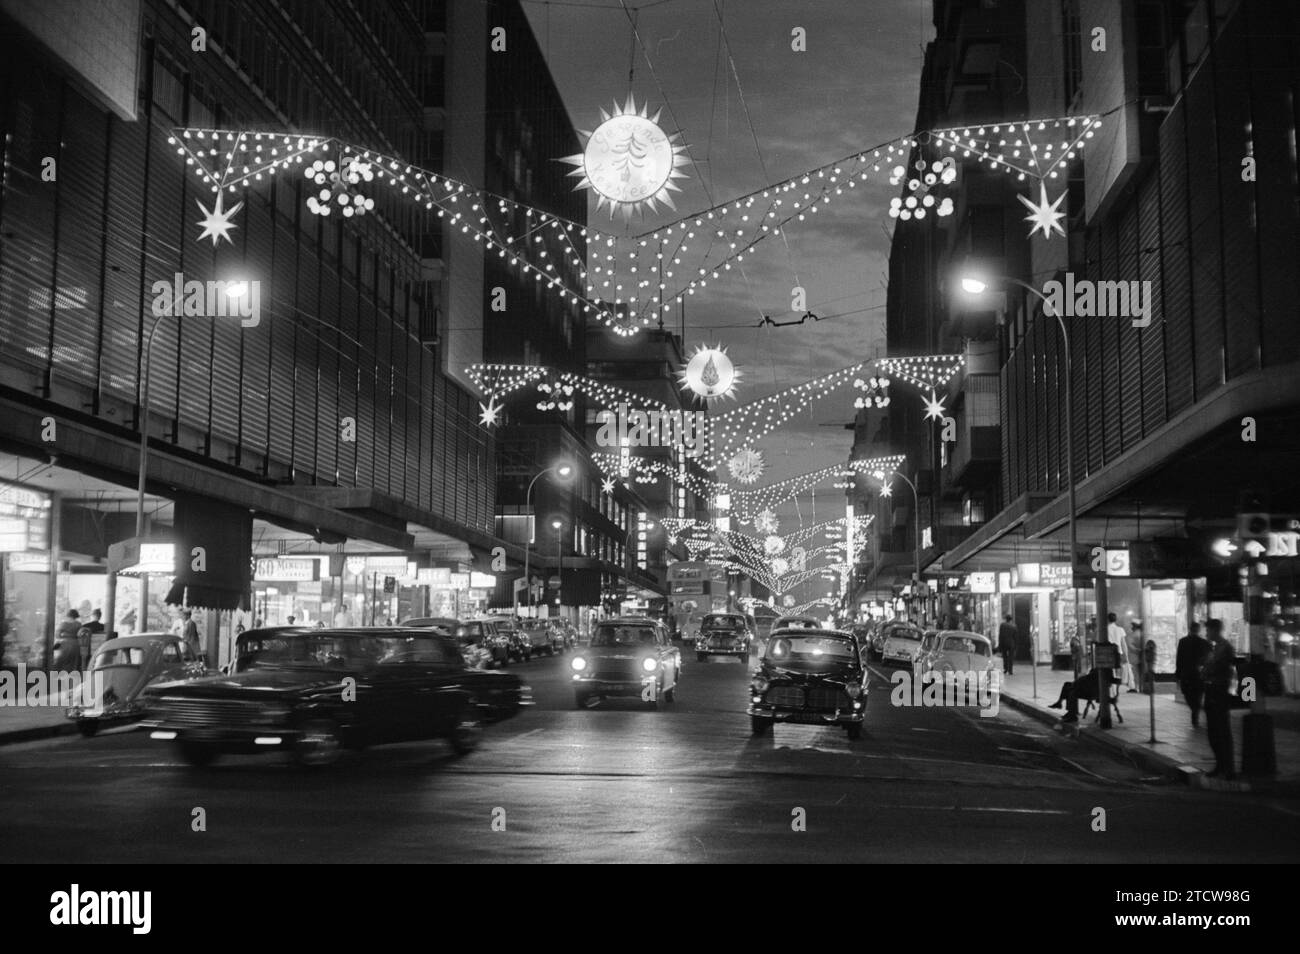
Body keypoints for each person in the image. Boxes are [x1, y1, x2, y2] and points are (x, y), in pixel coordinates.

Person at [1202, 618, 1236, 779]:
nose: (1206, 633)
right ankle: (1220, 765)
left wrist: (1208, 670)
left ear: (1215, 630)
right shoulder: (1214, 648)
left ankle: (1227, 767)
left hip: (1219, 691)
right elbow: (1207, 668)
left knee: (1222, 730)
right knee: (1213, 731)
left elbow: (1217, 668)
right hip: (1211, 690)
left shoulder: (1225, 648)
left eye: (1208, 630)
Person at [1176, 622, 1209, 726]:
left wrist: (1178, 673)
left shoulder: (1183, 641)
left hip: (1187, 673)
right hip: (1198, 674)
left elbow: (1179, 658)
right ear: (1198, 630)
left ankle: (1194, 709)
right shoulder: (1203, 642)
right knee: (1197, 694)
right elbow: (1208, 658)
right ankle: (1195, 709)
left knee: (1188, 694)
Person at [1106, 613, 1131, 688]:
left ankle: (1111, 687)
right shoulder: (1120, 629)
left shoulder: (1105, 629)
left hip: (1108, 652)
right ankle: (1117, 689)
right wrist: (1126, 655)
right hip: (1118, 652)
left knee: (1109, 671)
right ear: (1116, 620)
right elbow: (1123, 643)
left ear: (1107, 619)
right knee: (1118, 672)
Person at [1126, 620, 1145, 693]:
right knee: (1140, 672)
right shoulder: (1142, 634)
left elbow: (1130, 646)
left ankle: (1138, 687)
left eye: (1133, 625)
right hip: (1141, 656)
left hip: (1135, 656)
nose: (1132, 627)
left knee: (1136, 673)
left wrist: (1137, 650)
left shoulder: (1133, 635)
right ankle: (1140, 687)